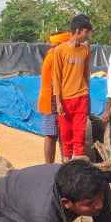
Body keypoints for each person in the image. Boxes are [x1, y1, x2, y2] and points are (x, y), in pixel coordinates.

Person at [52, 14, 93, 160]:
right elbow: (56, 77)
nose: (88, 35)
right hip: (64, 99)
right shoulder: (60, 51)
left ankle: (78, 165)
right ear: (78, 31)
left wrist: (87, 95)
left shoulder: (86, 50)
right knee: (65, 134)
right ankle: (67, 163)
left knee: (79, 134)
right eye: (86, 32)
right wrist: (58, 102)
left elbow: (86, 74)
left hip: (81, 97)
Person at [37, 31, 71, 164]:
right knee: (52, 135)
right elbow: (56, 81)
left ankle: (58, 164)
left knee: (60, 134)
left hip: (51, 99)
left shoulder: (52, 54)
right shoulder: (56, 55)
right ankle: (51, 166)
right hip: (52, 100)